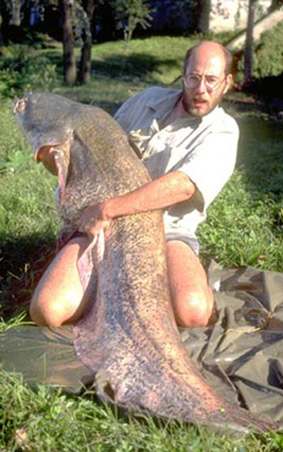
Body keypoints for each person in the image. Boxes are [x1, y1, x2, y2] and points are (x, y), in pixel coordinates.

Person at [29, 40, 239, 329]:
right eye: (194, 77)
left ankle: (146, 285)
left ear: (227, 83)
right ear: (184, 74)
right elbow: (95, 157)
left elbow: (183, 186)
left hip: (168, 231)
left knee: (193, 312)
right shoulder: (146, 100)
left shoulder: (223, 131)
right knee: (46, 310)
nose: (201, 89)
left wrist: (109, 209)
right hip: (101, 228)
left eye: (211, 80)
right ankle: (106, 289)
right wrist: (52, 158)